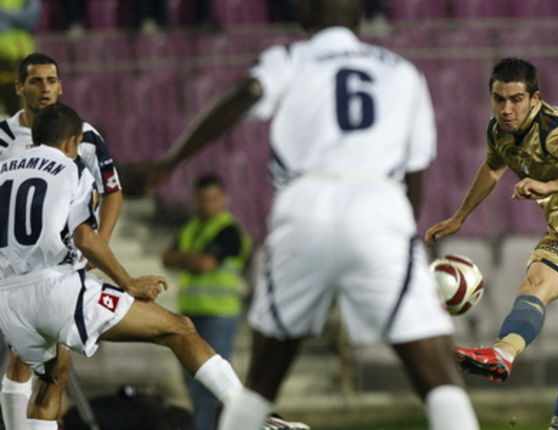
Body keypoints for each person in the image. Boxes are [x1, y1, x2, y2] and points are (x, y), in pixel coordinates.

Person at [133, 1, 480, 429]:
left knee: (261, 381)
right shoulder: (403, 72)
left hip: (304, 205)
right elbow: (415, 170)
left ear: (304, 16)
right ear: (359, 15)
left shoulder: (289, 59)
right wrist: (404, 245)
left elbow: (246, 94)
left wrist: (167, 164)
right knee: (438, 376)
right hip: (378, 205)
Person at [0, 103, 245, 430]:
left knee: (52, 377)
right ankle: (251, 414)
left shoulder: (4, 168)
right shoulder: (72, 169)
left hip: (9, 300)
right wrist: (128, 282)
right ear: (73, 141)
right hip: (56, 290)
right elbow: (85, 237)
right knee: (178, 328)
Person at [424, 57, 558, 430]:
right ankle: (501, 355)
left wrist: (550, 186)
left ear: (535, 98)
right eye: (499, 99)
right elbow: (493, 166)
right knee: (533, 284)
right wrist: (460, 216)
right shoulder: (498, 129)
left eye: (516, 99)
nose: (507, 109)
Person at [0, 52, 125, 430]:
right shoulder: (4, 137)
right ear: (19, 87)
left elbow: (113, 191)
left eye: (51, 80)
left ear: (61, 85)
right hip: (19, 264)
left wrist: (98, 246)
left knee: (43, 360)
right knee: (31, 359)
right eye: (36, 81)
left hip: (65, 260)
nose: (45, 89)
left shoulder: (83, 134)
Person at [162, 174, 252, 430]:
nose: (207, 205)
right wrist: (194, 259)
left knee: (214, 386)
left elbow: (204, 264)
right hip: (190, 315)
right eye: (202, 200)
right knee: (195, 383)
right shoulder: (191, 227)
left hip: (218, 317)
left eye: (212, 199)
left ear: (223, 198)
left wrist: (185, 258)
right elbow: (167, 258)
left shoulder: (228, 230)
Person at [0, 0, 40, 117]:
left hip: (20, 54)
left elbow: (30, 19)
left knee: (21, 105)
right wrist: (14, 17)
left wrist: (2, 14)